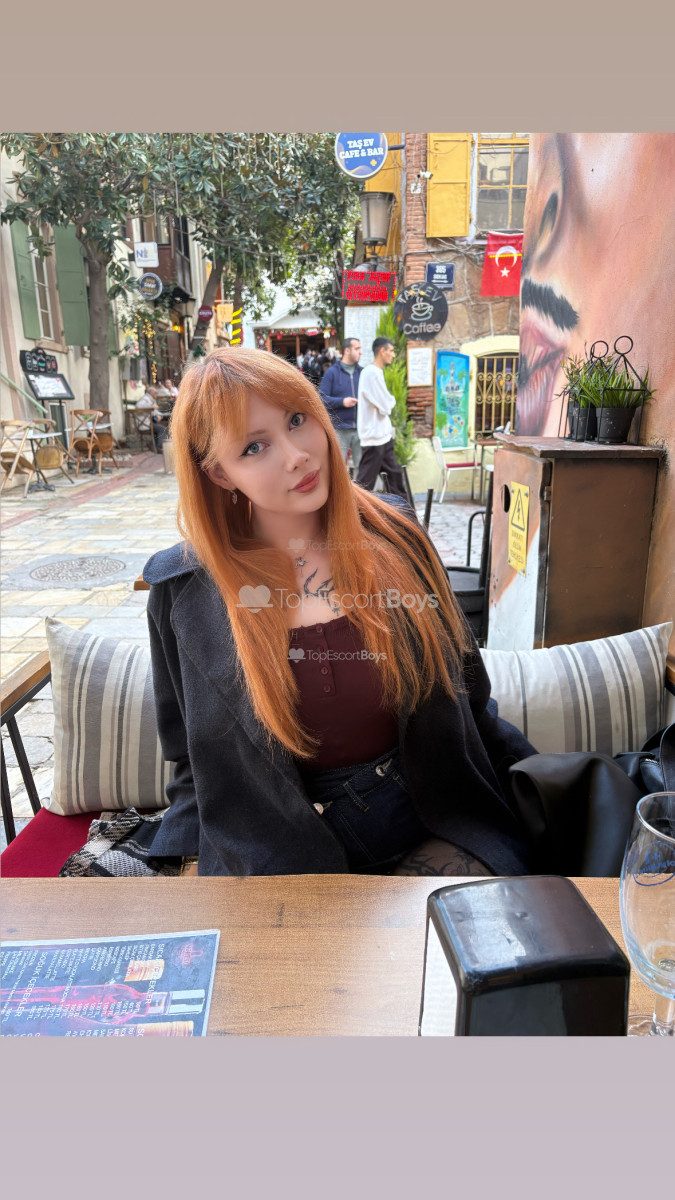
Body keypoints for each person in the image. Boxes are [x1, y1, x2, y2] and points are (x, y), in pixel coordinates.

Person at [142, 347, 537, 878]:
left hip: (429, 817)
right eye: (255, 446)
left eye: (296, 420)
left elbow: (472, 697)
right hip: (277, 852)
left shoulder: (398, 537)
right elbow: (193, 762)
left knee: (453, 930)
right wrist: (182, 864)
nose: (297, 456)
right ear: (219, 474)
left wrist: (538, 792)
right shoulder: (183, 591)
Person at [355, 338, 407, 498]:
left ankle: (404, 510)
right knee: (365, 483)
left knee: (395, 477)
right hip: (374, 437)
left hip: (382, 436)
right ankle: (353, 510)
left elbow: (385, 404)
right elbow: (386, 406)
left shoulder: (375, 372)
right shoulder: (371, 373)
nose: (393, 354)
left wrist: (387, 402)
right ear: (382, 351)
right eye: (391, 351)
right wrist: (388, 402)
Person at [319, 337, 363, 473]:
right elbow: (321, 399)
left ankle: (359, 489)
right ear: (347, 351)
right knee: (338, 469)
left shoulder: (362, 372)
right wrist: (342, 402)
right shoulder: (331, 373)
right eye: (357, 348)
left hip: (361, 429)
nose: (361, 352)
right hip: (339, 429)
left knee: (363, 469)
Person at [135, 385, 168, 450]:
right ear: (153, 393)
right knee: (163, 429)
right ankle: (160, 447)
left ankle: (152, 444)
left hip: (149, 422)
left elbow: (154, 412)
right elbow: (138, 406)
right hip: (144, 424)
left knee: (161, 428)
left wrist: (160, 416)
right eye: (156, 393)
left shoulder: (150, 400)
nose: (156, 395)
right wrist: (151, 406)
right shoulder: (145, 399)